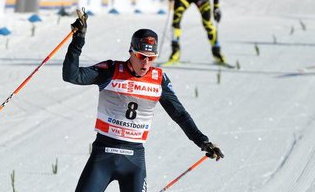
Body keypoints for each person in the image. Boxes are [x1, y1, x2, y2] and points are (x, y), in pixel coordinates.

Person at [62, 11, 224, 192]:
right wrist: (78, 40)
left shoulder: (159, 79)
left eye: (151, 58)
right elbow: (71, 75)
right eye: (141, 56)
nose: (146, 63)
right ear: (131, 51)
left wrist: (203, 142)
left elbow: (180, 114)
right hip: (103, 155)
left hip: (134, 161)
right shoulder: (111, 70)